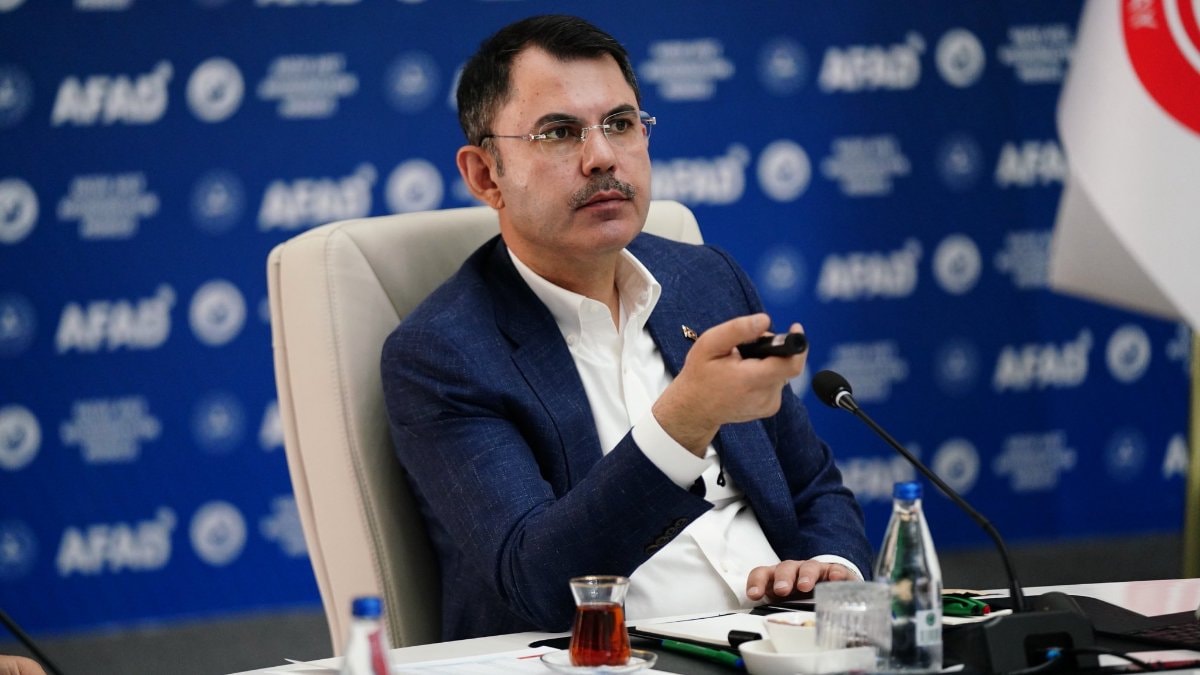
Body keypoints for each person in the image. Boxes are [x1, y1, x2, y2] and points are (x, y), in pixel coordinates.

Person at [381, 14, 872, 641]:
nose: (602, 157)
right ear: (486, 175)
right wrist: (685, 419)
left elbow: (812, 486)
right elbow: (538, 582)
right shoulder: (444, 354)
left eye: (619, 123)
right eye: (559, 133)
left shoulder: (706, 279)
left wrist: (828, 571)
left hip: (788, 643)